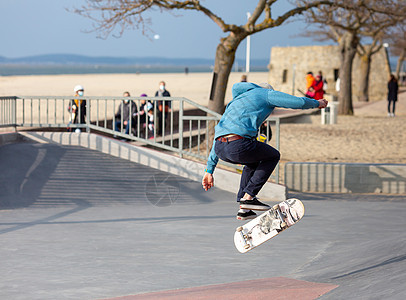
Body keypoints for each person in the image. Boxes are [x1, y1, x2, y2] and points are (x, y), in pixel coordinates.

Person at [201, 82, 328, 220]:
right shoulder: (265, 94)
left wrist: (209, 170)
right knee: (273, 156)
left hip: (220, 148)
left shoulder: (236, 101)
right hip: (238, 145)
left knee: (253, 161)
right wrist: (317, 103)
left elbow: (219, 135)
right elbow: (297, 102)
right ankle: (248, 197)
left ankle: (244, 207)